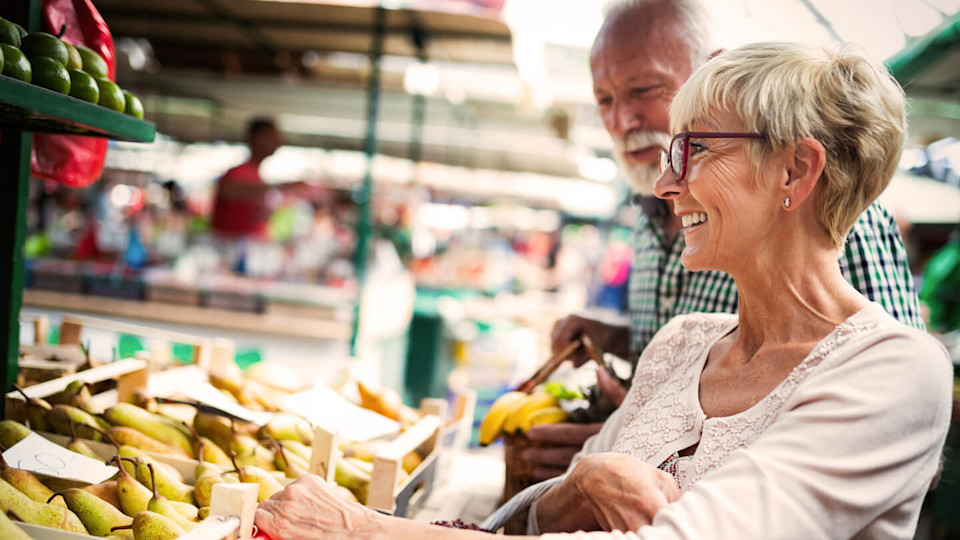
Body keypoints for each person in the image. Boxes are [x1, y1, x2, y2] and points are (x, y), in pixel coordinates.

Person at [253, 41, 952, 540]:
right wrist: (581, 487)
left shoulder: (897, 372)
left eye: (695, 150)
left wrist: (361, 529)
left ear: (796, 171)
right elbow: (536, 522)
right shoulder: (683, 345)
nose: (664, 182)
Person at [524, 0, 927, 482]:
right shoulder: (651, 219)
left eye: (644, 90)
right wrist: (625, 415)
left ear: (710, 70)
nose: (623, 120)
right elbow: (702, 360)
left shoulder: (837, 217)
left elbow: (889, 418)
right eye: (605, 100)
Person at [210, 117, 313, 239]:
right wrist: (281, 186)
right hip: (232, 247)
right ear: (257, 138)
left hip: (249, 247)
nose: (278, 143)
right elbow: (230, 190)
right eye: (273, 137)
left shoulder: (256, 176)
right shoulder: (238, 173)